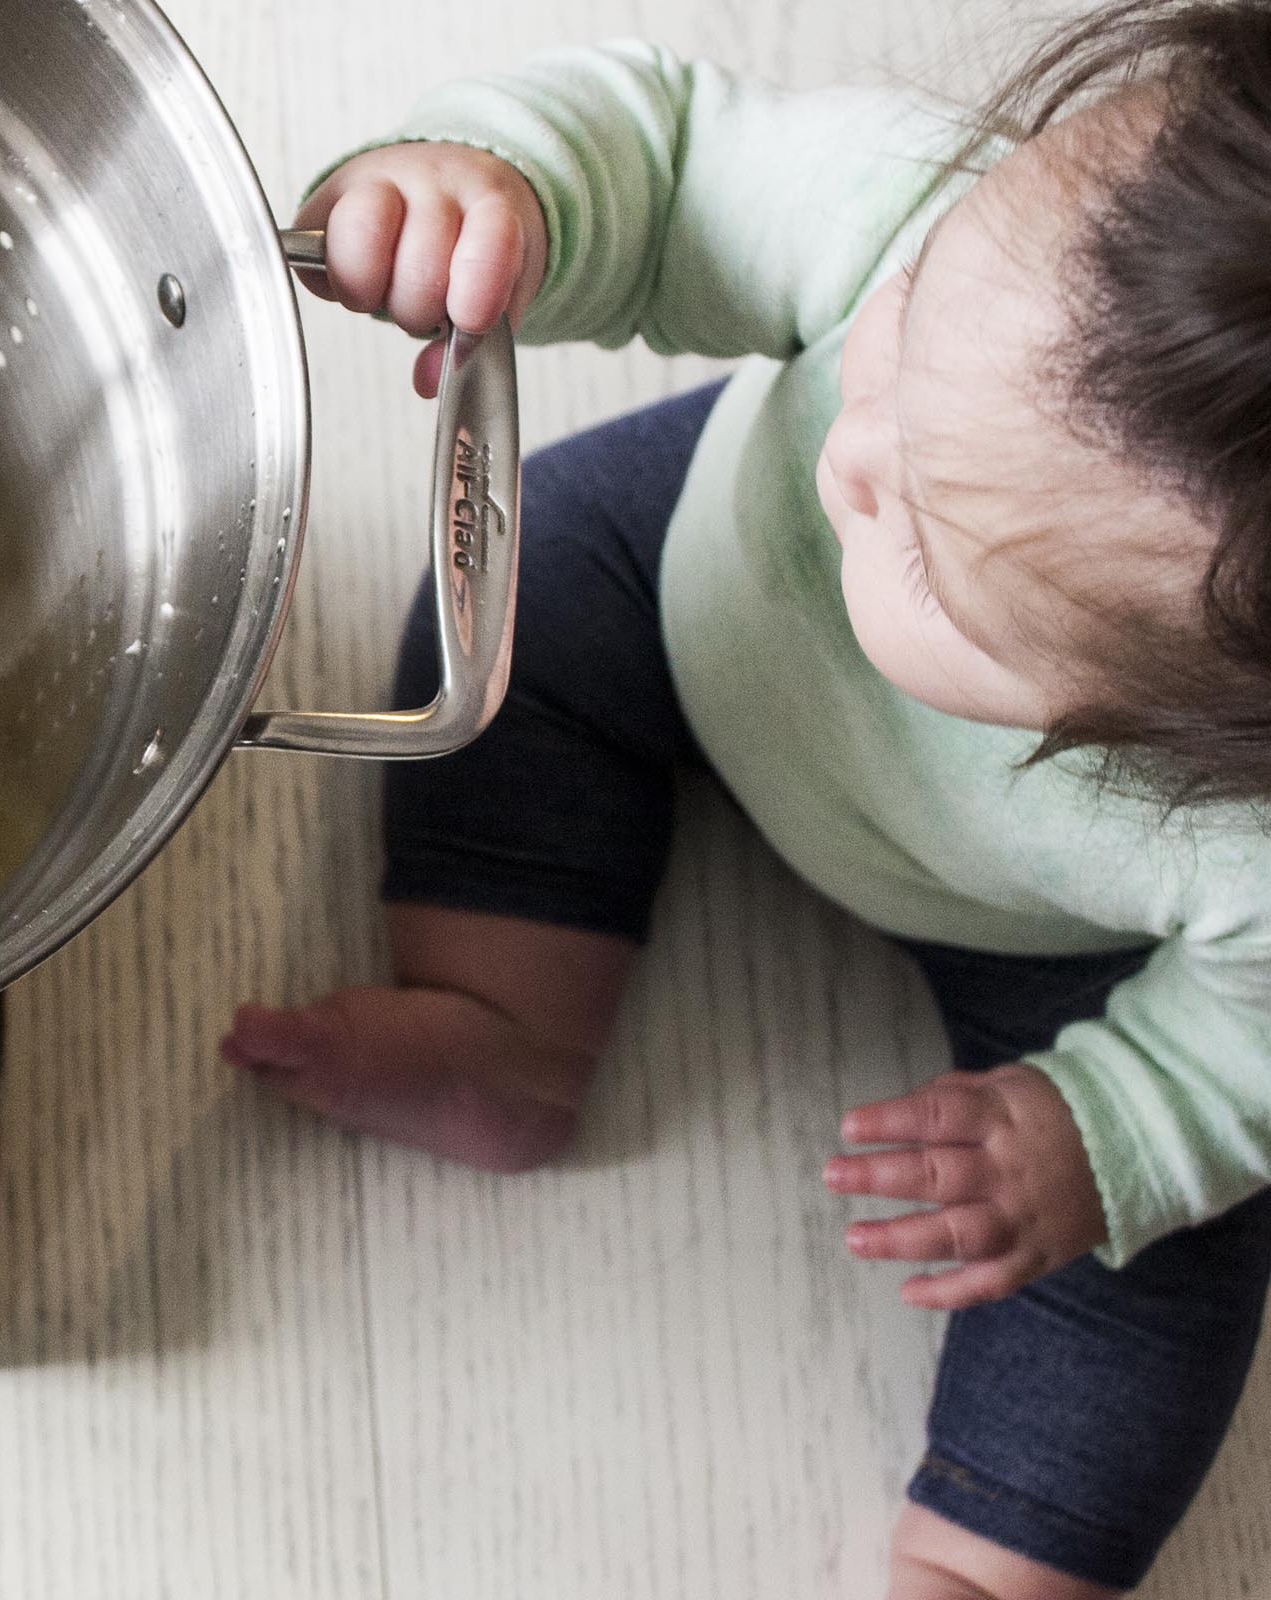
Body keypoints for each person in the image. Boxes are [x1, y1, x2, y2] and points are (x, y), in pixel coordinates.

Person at [221, 5, 1271, 1595]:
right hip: (684, 586)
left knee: (1152, 1250)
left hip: (1047, 936)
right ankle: (501, 1023)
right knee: (510, 588)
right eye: (906, 331)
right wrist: (494, 191)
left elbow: (1247, 1041)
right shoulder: (954, 223)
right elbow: (677, 159)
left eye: (920, 537)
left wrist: (1108, 1126)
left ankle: (982, 1564)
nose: (854, 438)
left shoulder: (1247, 842)